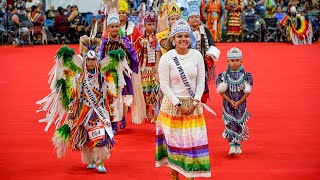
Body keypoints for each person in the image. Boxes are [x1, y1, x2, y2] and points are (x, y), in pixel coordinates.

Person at [37, 32, 119, 173]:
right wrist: (71, 111)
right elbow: (75, 96)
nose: (91, 63)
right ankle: (91, 160)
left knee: (99, 136)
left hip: (98, 112)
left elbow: (109, 94)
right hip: (84, 111)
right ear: (85, 61)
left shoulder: (102, 77)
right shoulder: (80, 78)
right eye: (89, 60)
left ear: (97, 61)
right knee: (86, 138)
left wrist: (110, 108)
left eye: (93, 60)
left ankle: (100, 161)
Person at [155, 19, 211, 179]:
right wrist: (178, 104)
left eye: (186, 36)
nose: (183, 39)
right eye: (179, 36)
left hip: (193, 107)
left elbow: (201, 81)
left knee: (191, 144)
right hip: (172, 107)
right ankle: (174, 175)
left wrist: (195, 101)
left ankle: (190, 175)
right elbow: (164, 85)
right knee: (174, 144)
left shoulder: (197, 55)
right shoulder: (167, 58)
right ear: (173, 39)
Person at [100, 12, 140, 134]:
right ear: (108, 28)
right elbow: (101, 56)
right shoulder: (105, 42)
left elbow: (132, 53)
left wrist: (131, 61)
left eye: (116, 26)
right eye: (112, 26)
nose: (114, 29)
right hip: (110, 74)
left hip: (122, 73)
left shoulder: (125, 40)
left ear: (119, 27)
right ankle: (113, 123)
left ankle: (122, 117)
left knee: (122, 98)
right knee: (112, 98)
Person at [216, 47, 253, 157]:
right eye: (232, 61)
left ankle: (238, 144)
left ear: (241, 61)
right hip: (228, 104)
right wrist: (230, 101)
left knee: (239, 122)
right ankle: (232, 145)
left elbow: (248, 90)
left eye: (237, 60)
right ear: (228, 61)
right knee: (230, 122)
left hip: (241, 104)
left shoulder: (246, 75)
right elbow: (221, 91)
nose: (235, 63)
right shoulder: (223, 76)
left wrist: (240, 101)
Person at [187, 2, 219, 104]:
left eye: (197, 17)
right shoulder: (185, 31)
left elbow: (212, 44)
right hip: (188, 62)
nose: (195, 19)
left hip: (202, 62)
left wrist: (210, 54)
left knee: (201, 81)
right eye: (192, 17)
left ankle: (200, 101)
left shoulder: (205, 30)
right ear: (188, 20)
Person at [138, 10, 161, 122]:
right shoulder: (142, 39)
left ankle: (155, 113)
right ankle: (146, 111)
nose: (151, 27)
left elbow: (158, 53)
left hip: (153, 68)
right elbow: (139, 53)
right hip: (144, 69)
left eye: (153, 24)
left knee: (155, 91)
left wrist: (157, 68)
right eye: (148, 24)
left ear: (156, 24)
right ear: (145, 25)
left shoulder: (158, 39)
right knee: (145, 91)